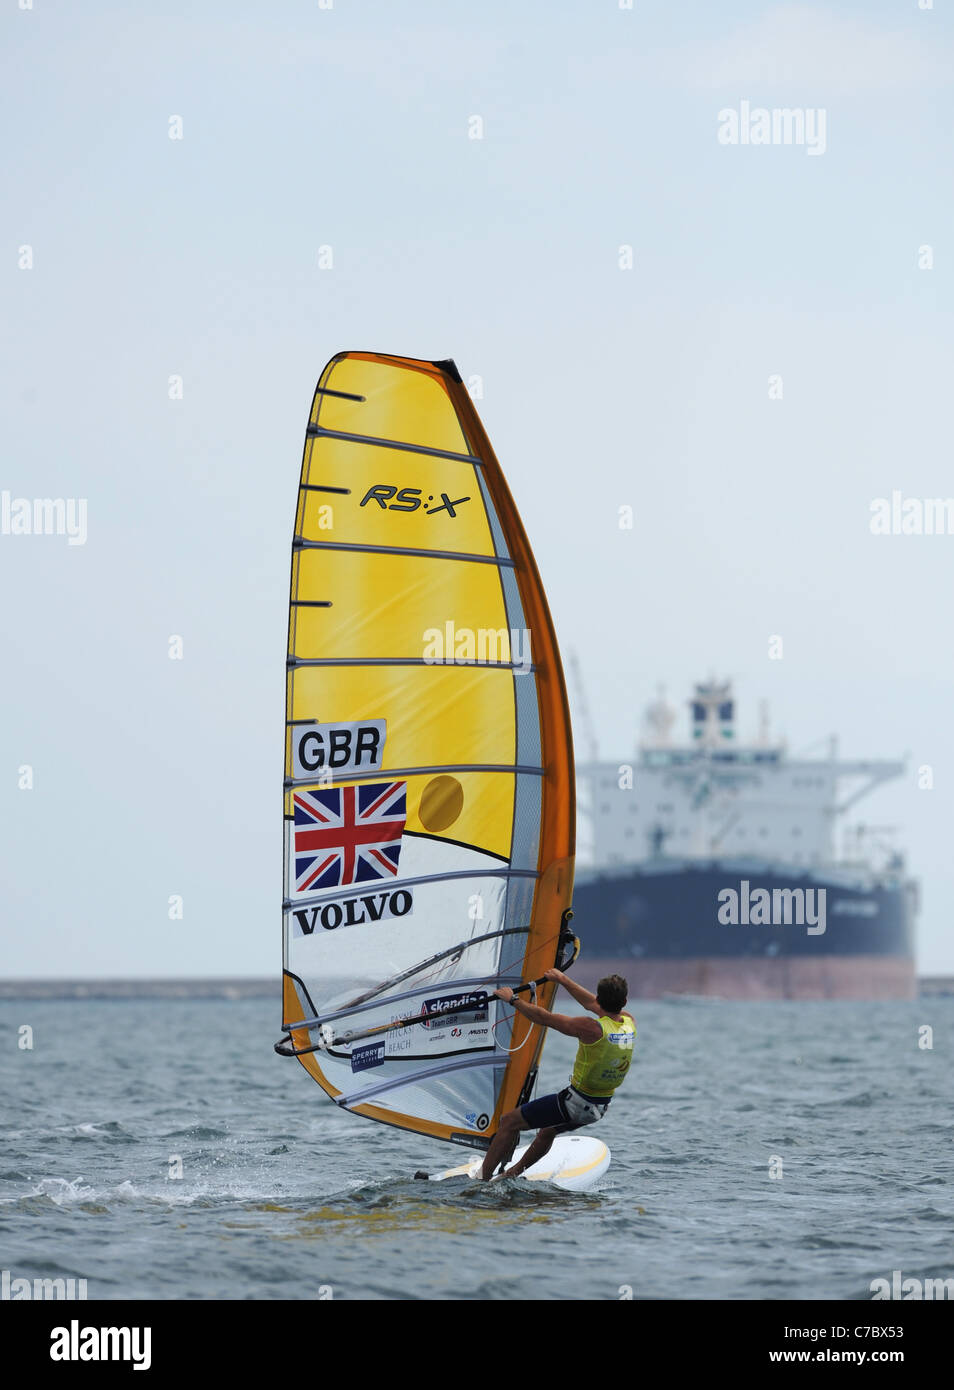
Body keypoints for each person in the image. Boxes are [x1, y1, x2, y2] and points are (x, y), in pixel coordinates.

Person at [479, 969, 635, 1181]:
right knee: (548, 1130)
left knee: (508, 1121)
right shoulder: (628, 1022)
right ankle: (510, 1175)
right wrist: (561, 979)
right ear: (624, 1001)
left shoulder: (591, 1028)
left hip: (576, 1103)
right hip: (599, 1108)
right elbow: (591, 1003)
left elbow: (544, 1018)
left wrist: (512, 999)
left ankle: (482, 1180)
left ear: (599, 1000)